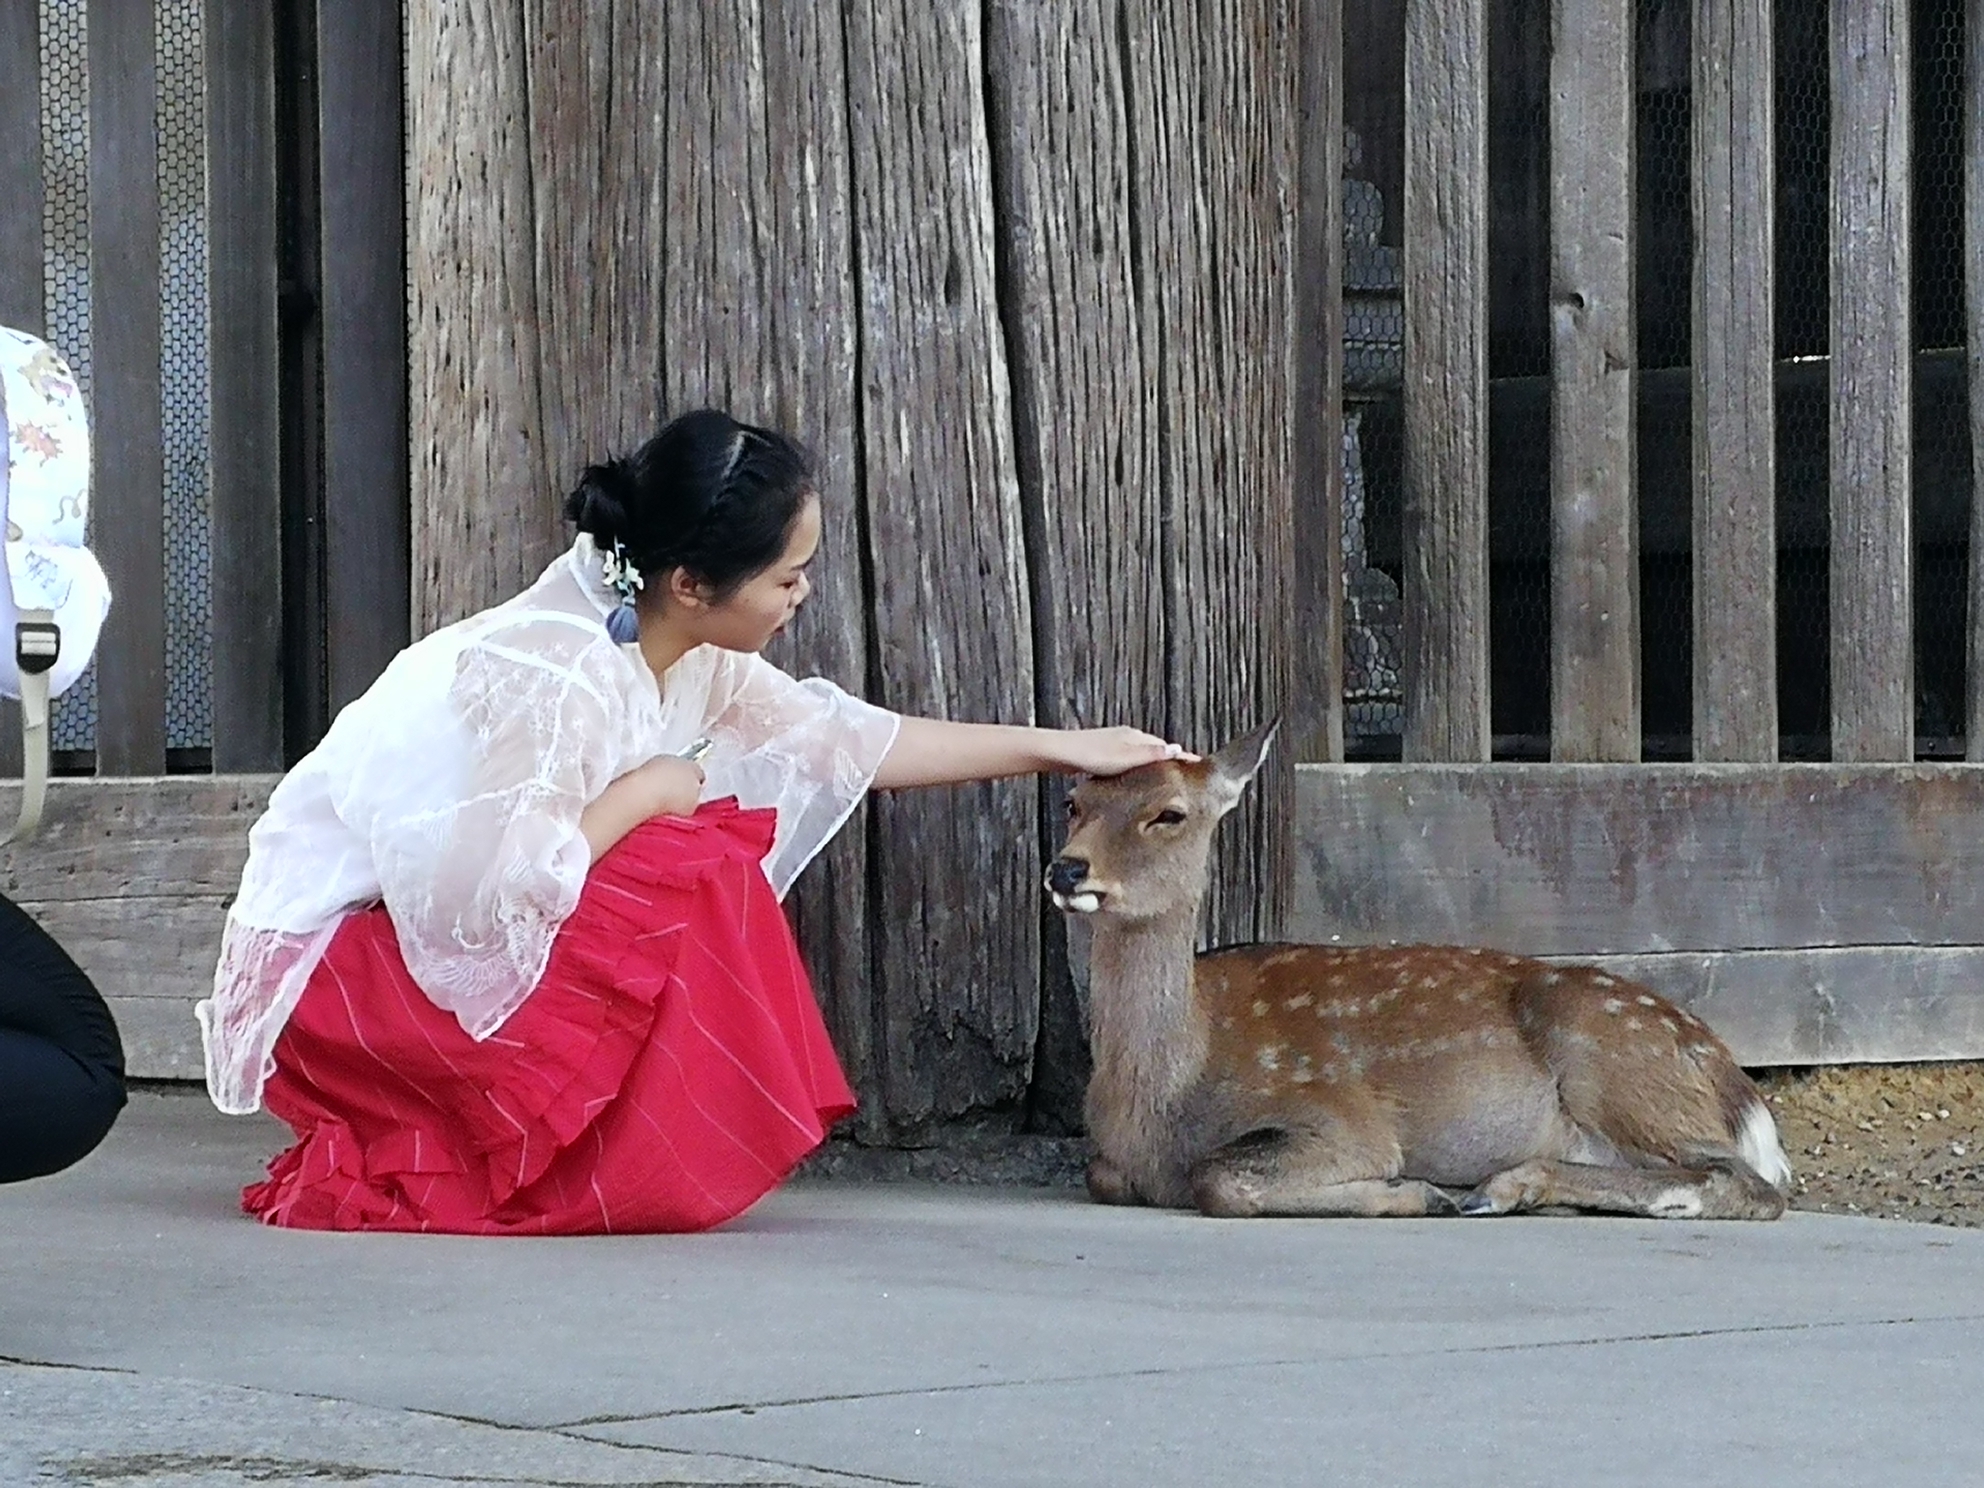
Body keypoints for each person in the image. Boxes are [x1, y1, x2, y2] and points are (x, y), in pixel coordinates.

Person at [199, 408, 1187, 1234]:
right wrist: (645, 794)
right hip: (342, 980)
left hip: (428, 950)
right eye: (786, 577)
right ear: (689, 585)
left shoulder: (683, 645)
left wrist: (1062, 746)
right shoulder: (556, 672)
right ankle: (533, 1149)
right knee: (692, 848)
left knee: (692, 837)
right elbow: (468, 903)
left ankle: (616, 1147)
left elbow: (841, 743)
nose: (801, 596)